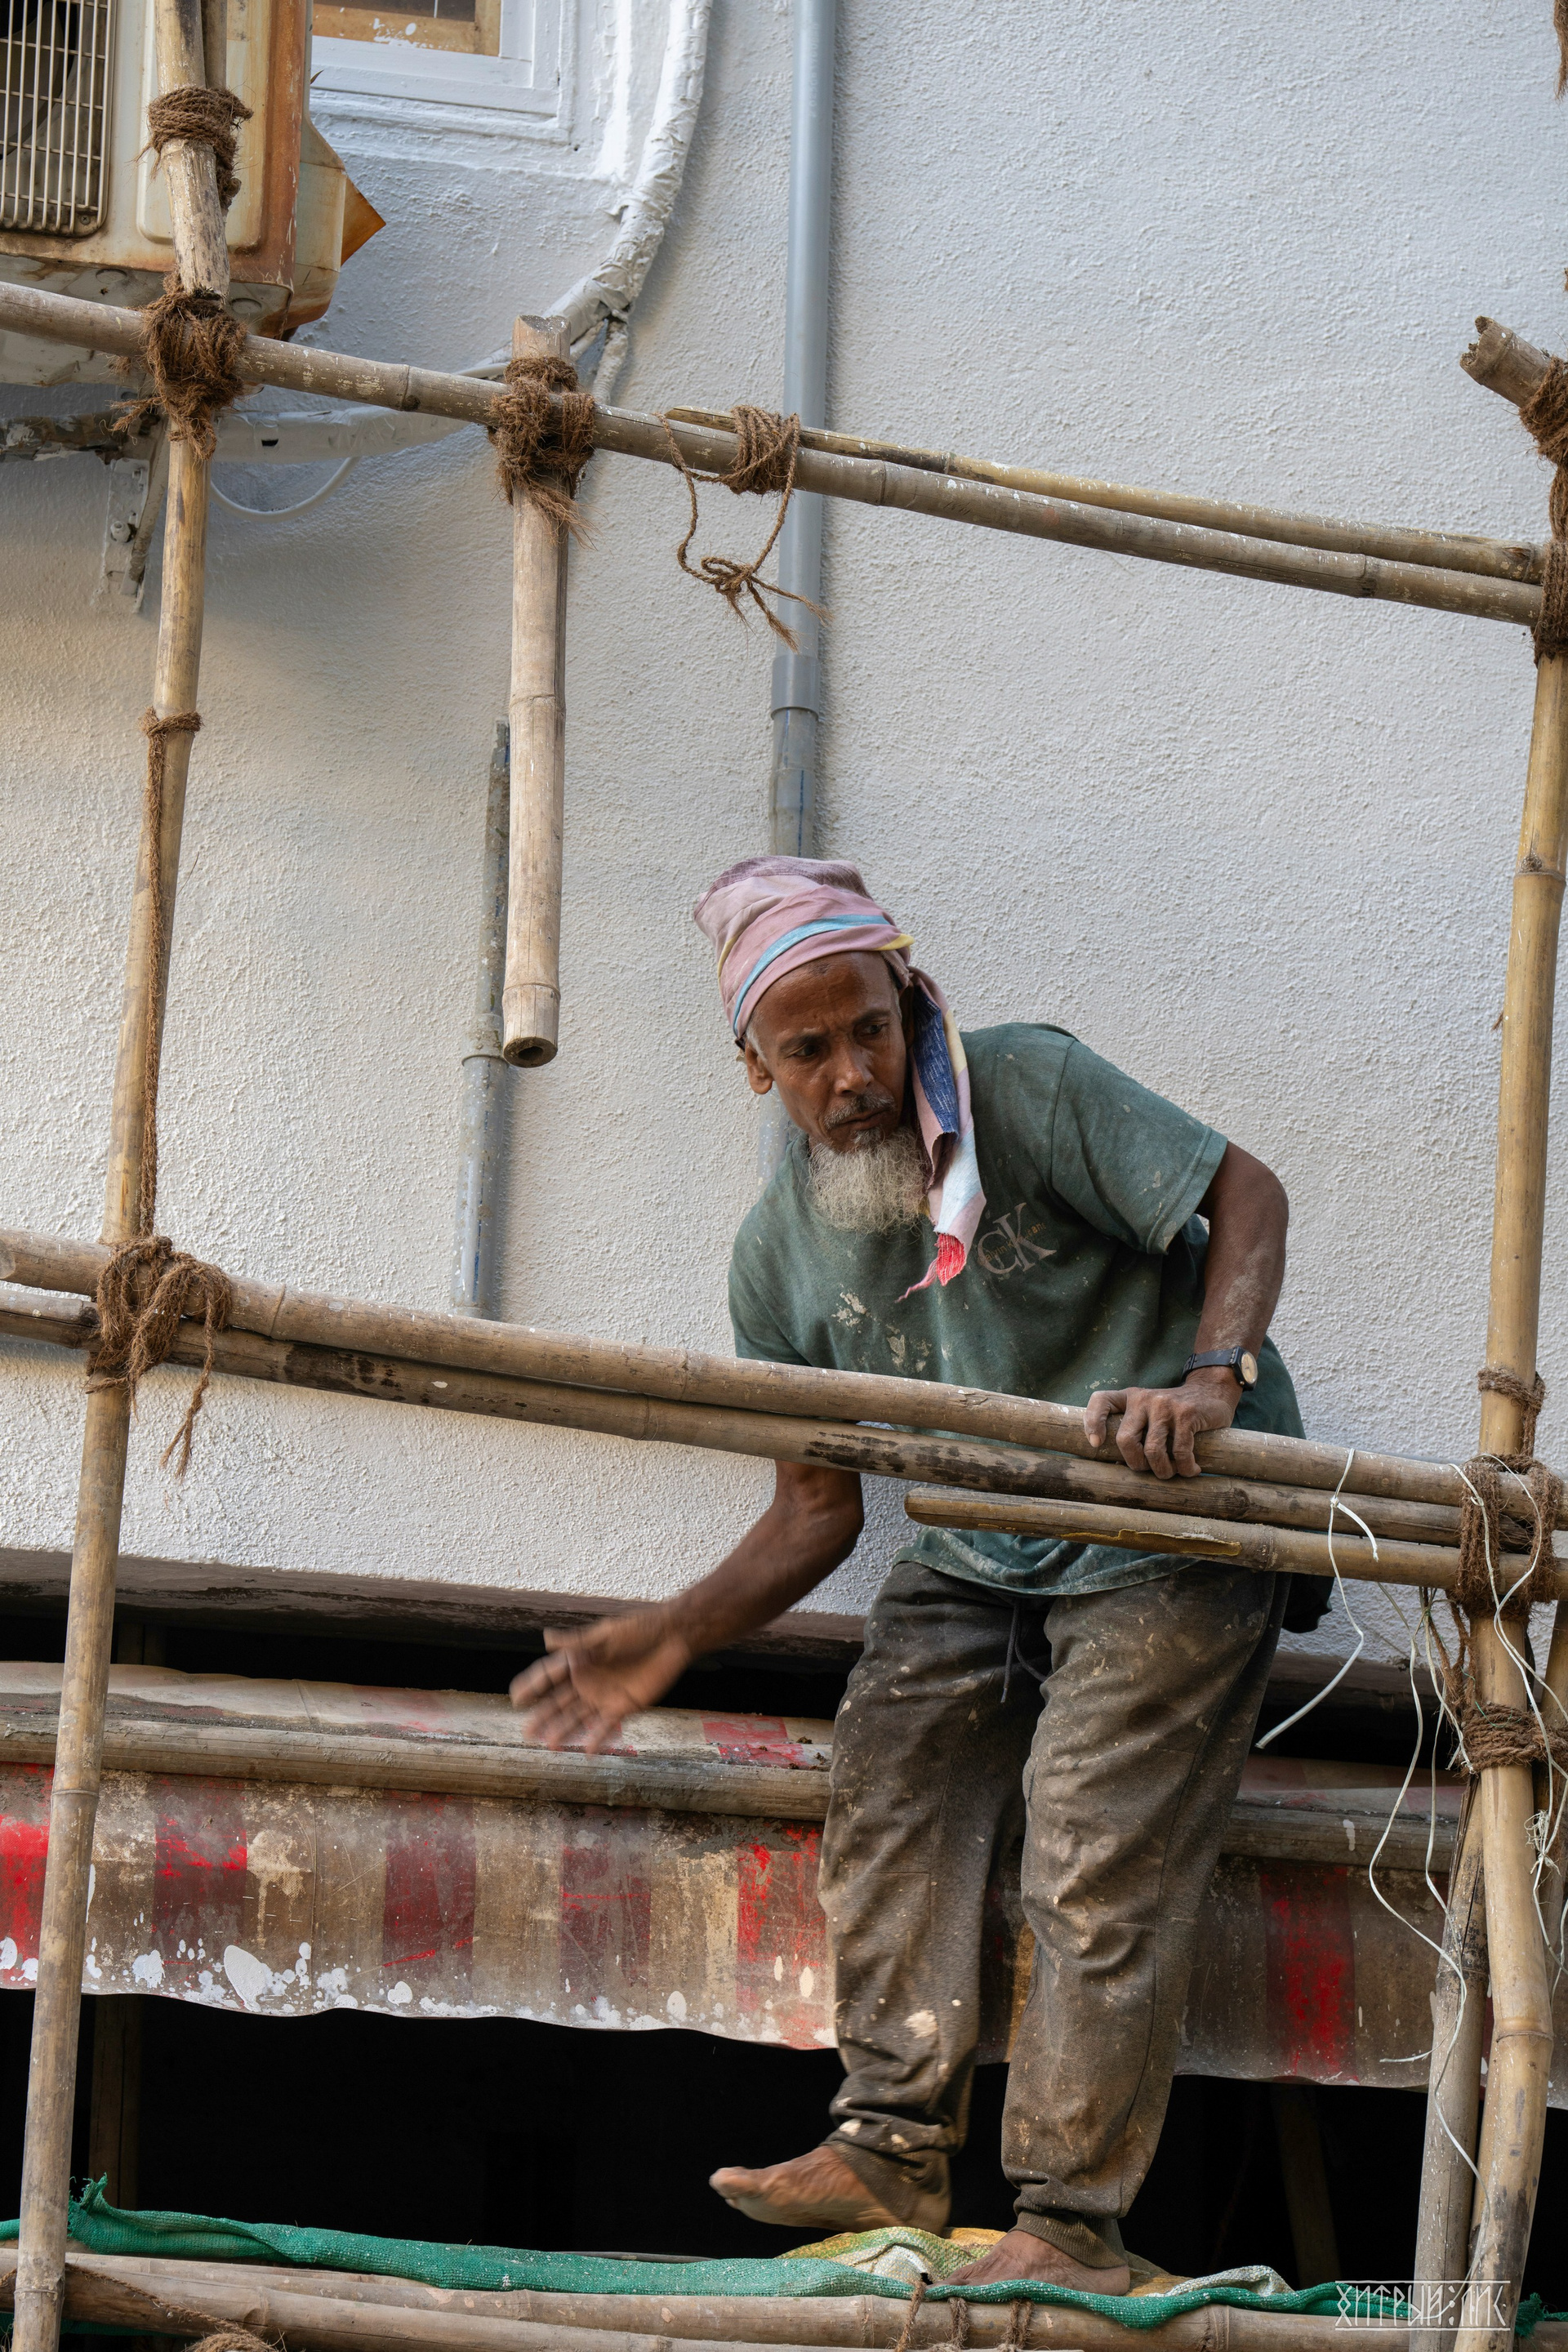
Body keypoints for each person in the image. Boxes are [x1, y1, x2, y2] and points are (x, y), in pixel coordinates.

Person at [511, 855, 1303, 2292]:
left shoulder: (1027, 1087)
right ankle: (890, 2141)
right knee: (886, 1785)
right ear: (756, 1068)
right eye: (808, 1049)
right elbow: (816, 1511)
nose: (855, 1074)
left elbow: (1246, 1190)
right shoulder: (774, 1261)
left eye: (871, 1028)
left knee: (1091, 1845)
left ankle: (1069, 2226)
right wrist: (675, 1632)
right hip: (980, 1545)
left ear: (908, 999)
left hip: (1169, 1520)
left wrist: (1210, 1378)